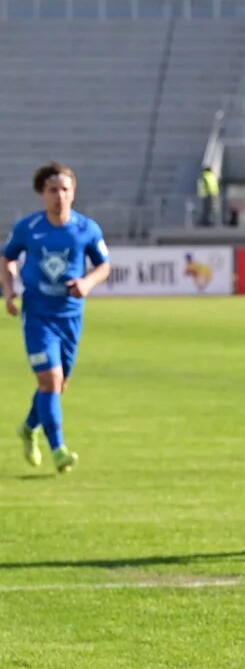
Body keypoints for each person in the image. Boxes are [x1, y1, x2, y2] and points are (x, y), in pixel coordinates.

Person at [2, 162, 112, 473]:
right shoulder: (29, 228)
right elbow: (7, 256)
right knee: (50, 382)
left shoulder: (87, 229)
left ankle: (28, 428)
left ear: (73, 193)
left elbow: (104, 265)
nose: (59, 196)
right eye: (53, 190)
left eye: (65, 190)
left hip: (71, 318)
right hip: (38, 316)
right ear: (42, 194)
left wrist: (86, 283)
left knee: (58, 385)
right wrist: (10, 291)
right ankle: (59, 449)